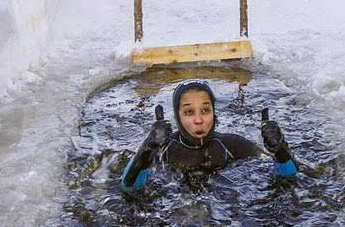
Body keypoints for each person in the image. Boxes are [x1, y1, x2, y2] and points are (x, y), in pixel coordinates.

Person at [120, 79, 298, 195]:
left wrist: (279, 149)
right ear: (178, 117)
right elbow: (128, 188)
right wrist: (148, 148)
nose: (198, 120)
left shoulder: (232, 144)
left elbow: (290, 177)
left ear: (214, 113)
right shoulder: (164, 149)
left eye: (205, 110)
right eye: (189, 112)